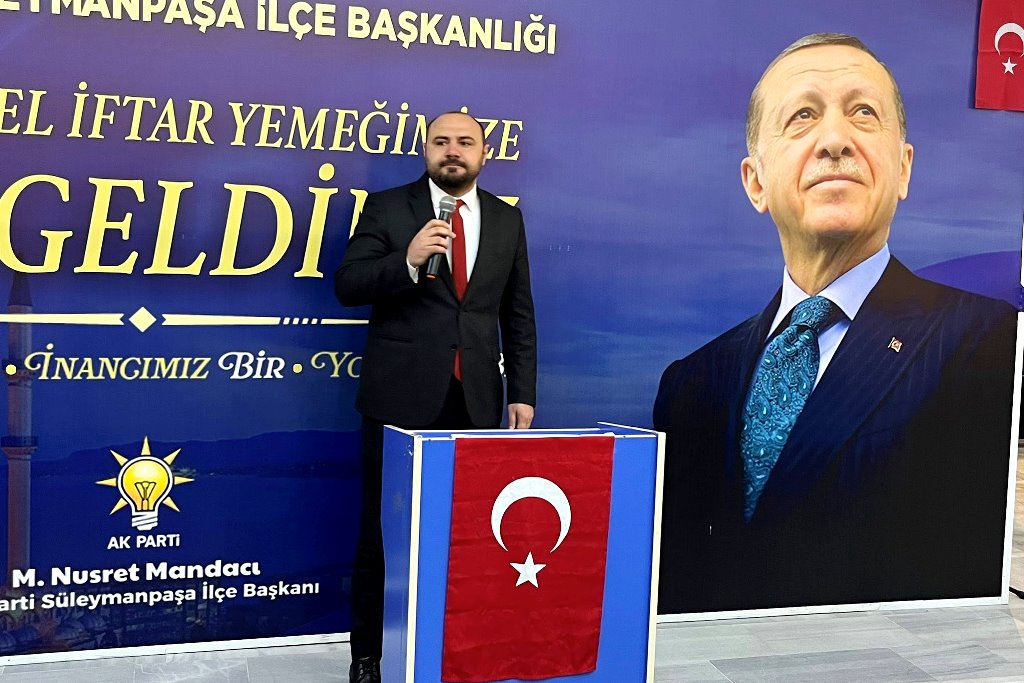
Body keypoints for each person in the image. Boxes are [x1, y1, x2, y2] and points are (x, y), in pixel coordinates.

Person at [654, 34, 1017, 615]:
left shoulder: (987, 344)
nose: (834, 140)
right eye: (802, 115)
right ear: (755, 182)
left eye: (863, 112)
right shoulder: (690, 383)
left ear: (903, 169)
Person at [335, 111, 537, 682]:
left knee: (468, 532)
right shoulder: (387, 208)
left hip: (475, 400)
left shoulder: (506, 219)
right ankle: (368, 658)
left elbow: (518, 313)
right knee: (381, 533)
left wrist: (522, 391)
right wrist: (407, 260)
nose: (453, 150)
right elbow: (348, 285)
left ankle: (458, 647)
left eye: (465, 142)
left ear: (483, 153)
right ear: (425, 150)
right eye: (441, 141)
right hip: (398, 401)